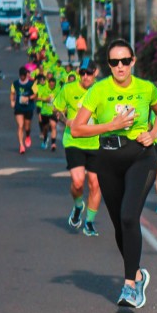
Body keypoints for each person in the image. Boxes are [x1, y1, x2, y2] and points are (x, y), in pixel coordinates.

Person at [72, 39, 157, 307]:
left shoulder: (146, 88)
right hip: (108, 160)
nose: (120, 66)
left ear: (133, 61)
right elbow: (77, 129)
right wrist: (110, 125)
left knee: (128, 216)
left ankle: (129, 287)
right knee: (119, 225)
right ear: (108, 65)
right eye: (114, 62)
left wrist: (153, 133)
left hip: (140, 157)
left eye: (125, 61)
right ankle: (137, 275)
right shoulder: (98, 90)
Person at [54, 57, 102, 236]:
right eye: (82, 73)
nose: (85, 76)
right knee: (78, 182)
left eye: (89, 73)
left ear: (95, 73)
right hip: (74, 141)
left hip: (96, 142)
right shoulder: (69, 89)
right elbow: (56, 109)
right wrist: (66, 120)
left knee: (95, 184)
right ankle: (78, 205)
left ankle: (89, 222)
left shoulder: (101, 90)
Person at [10, 66, 36, 154]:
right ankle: (21, 145)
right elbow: (12, 93)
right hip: (19, 107)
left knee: (27, 126)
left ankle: (27, 135)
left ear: (26, 75)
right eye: (21, 75)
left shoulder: (31, 84)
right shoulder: (15, 83)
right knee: (20, 125)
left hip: (28, 107)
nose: (22, 77)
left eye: (23, 75)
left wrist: (28, 98)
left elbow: (36, 94)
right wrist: (12, 101)